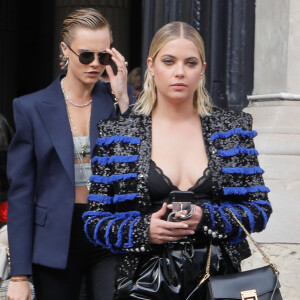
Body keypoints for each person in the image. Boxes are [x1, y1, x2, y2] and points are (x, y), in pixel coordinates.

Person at [83, 21, 273, 299]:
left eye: (191, 63)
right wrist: (144, 229)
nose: (180, 72)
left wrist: (205, 216)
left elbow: (259, 209)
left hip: (220, 282)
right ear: (152, 65)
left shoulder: (232, 130)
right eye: (169, 61)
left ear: (203, 69)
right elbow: (94, 221)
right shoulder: (118, 134)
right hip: (143, 283)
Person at [7, 8, 133, 300]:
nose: (95, 64)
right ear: (65, 49)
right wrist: (19, 275)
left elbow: (141, 161)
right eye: (86, 55)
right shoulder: (31, 107)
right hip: (54, 239)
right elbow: (21, 194)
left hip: (107, 232)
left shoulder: (119, 102)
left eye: (103, 57)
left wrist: (124, 97)